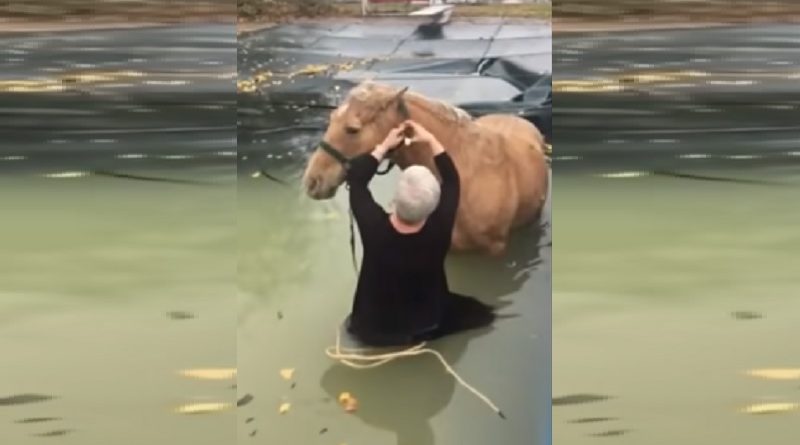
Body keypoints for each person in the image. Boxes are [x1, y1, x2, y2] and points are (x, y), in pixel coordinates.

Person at [345, 120, 495, 347]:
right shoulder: (441, 226)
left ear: (394, 200)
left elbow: (356, 180)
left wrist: (384, 146)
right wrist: (431, 139)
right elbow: (453, 180)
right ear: (434, 206)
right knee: (483, 314)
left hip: (373, 327)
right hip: (428, 324)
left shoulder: (373, 226)